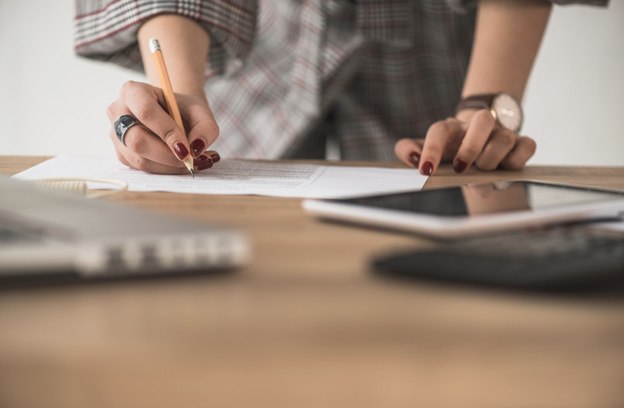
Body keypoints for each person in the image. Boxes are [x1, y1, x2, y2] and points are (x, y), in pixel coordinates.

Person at [74, 0, 607, 175]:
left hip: (431, 66)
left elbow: (476, 125)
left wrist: (485, 105)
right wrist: (182, 94)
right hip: (250, 60)